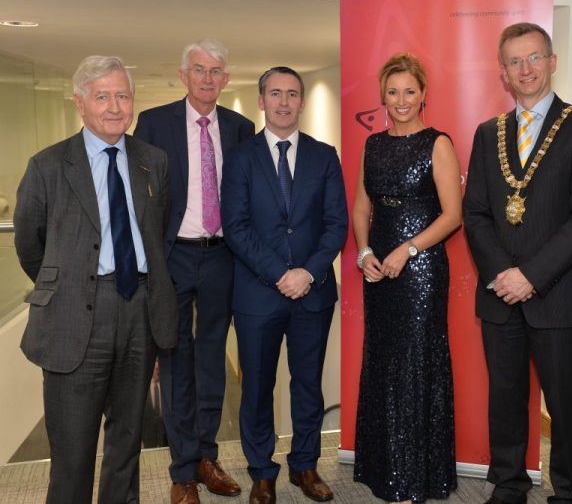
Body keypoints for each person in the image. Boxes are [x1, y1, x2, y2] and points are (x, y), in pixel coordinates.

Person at [13, 55, 178, 503]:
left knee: (127, 441)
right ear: (80, 104)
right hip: (74, 316)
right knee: (73, 449)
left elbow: (156, 233)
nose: (114, 107)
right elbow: (32, 245)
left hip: (138, 310)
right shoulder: (48, 165)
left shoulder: (153, 162)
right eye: (102, 96)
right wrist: (70, 285)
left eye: (122, 95)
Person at [463, 22, 572, 504]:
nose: (525, 69)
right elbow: (477, 213)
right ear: (503, 72)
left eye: (533, 58)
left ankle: (568, 492)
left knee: (565, 404)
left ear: (551, 62)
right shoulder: (488, 133)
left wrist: (531, 276)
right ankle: (508, 484)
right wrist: (503, 275)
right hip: (499, 295)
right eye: (514, 61)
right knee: (504, 401)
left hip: (559, 292)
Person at [134, 38, 255, 504]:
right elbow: (143, 201)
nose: (208, 79)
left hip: (223, 255)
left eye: (216, 71)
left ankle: (207, 456)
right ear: (183, 75)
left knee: (213, 361)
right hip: (174, 257)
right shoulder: (154, 123)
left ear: (226, 79)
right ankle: (182, 469)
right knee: (176, 359)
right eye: (199, 70)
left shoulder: (241, 128)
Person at [221, 66, 348, 504]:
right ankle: (262, 471)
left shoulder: (324, 155)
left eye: (292, 94)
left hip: (312, 293)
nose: (283, 102)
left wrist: (307, 273)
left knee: (308, 383)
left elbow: (336, 225)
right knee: (257, 385)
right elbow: (235, 227)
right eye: (275, 93)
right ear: (261, 101)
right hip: (258, 293)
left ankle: (305, 466)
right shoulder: (240, 158)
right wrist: (279, 274)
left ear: (302, 102)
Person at [352, 53, 463, 503]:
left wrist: (408, 249)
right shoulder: (372, 145)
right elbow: (362, 207)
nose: (401, 100)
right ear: (383, 95)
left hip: (420, 273)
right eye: (393, 91)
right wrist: (364, 252)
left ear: (423, 96)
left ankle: (417, 473)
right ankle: (384, 469)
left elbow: (453, 215)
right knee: (382, 360)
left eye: (409, 91)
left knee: (416, 363)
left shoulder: (438, 143)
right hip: (378, 270)